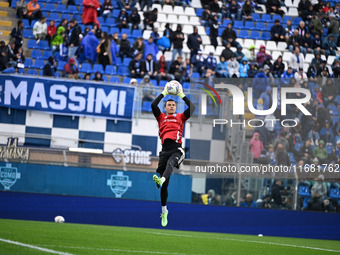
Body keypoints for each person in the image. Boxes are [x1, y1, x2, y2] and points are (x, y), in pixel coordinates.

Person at [151, 83, 195, 227]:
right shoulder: (161, 117)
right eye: (169, 105)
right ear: (165, 107)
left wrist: (181, 95)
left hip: (177, 149)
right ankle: (164, 211)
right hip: (164, 151)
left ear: (176, 107)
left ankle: (162, 179)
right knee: (163, 187)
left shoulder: (181, 117)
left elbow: (192, 108)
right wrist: (164, 92)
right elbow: (153, 105)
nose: (171, 106)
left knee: (169, 167)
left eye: (173, 105)